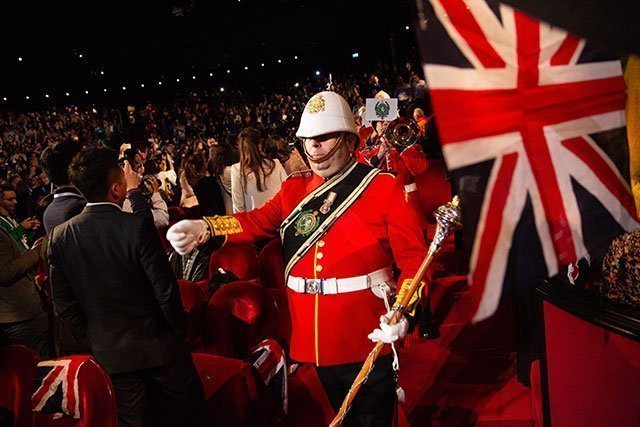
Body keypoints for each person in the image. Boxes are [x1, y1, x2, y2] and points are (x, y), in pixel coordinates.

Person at [167, 91, 428, 427]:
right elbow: (257, 220)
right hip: (313, 333)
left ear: (350, 140)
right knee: (345, 414)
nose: (315, 148)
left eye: (323, 138)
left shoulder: (383, 188)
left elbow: (415, 260)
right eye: (308, 140)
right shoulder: (294, 190)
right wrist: (208, 227)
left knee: (373, 418)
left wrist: (404, 310)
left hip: (364, 329)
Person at [48, 147, 206, 427]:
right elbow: (165, 289)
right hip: (160, 347)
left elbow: (63, 303)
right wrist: (177, 331)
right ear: (116, 189)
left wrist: (94, 338)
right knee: (188, 415)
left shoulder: (60, 236)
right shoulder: (135, 227)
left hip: (111, 354)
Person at [0, 219, 50, 359]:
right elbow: (5, 273)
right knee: (36, 368)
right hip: (19, 317)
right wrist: (35, 253)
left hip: (15, 316)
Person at [230, 127, 287, 213]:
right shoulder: (275, 164)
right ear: (260, 144)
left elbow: (238, 207)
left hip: (256, 222)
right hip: (280, 218)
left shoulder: (237, 170)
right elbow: (287, 191)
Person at [0, 185, 41, 250]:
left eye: (15, 198)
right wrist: (22, 227)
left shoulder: (13, 216)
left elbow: (23, 239)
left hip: (26, 254)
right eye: (10, 199)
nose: (15, 202)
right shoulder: (1, 221)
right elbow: (6, 242)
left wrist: (31, 230)